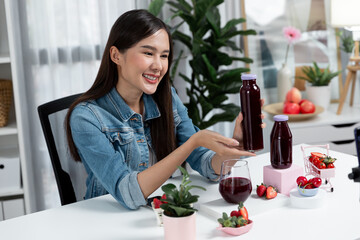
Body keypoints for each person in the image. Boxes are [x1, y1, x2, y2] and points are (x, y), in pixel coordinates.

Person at [65, 9, 264, 210]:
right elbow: (128, 192)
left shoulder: (166, 96)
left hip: (159, 212)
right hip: (106, 220)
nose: (158, 66)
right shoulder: (86, 117)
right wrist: (192, 143)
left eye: (164, 56)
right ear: (116, 55)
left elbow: (207, 165)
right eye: (148, 53)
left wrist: (236, 145)